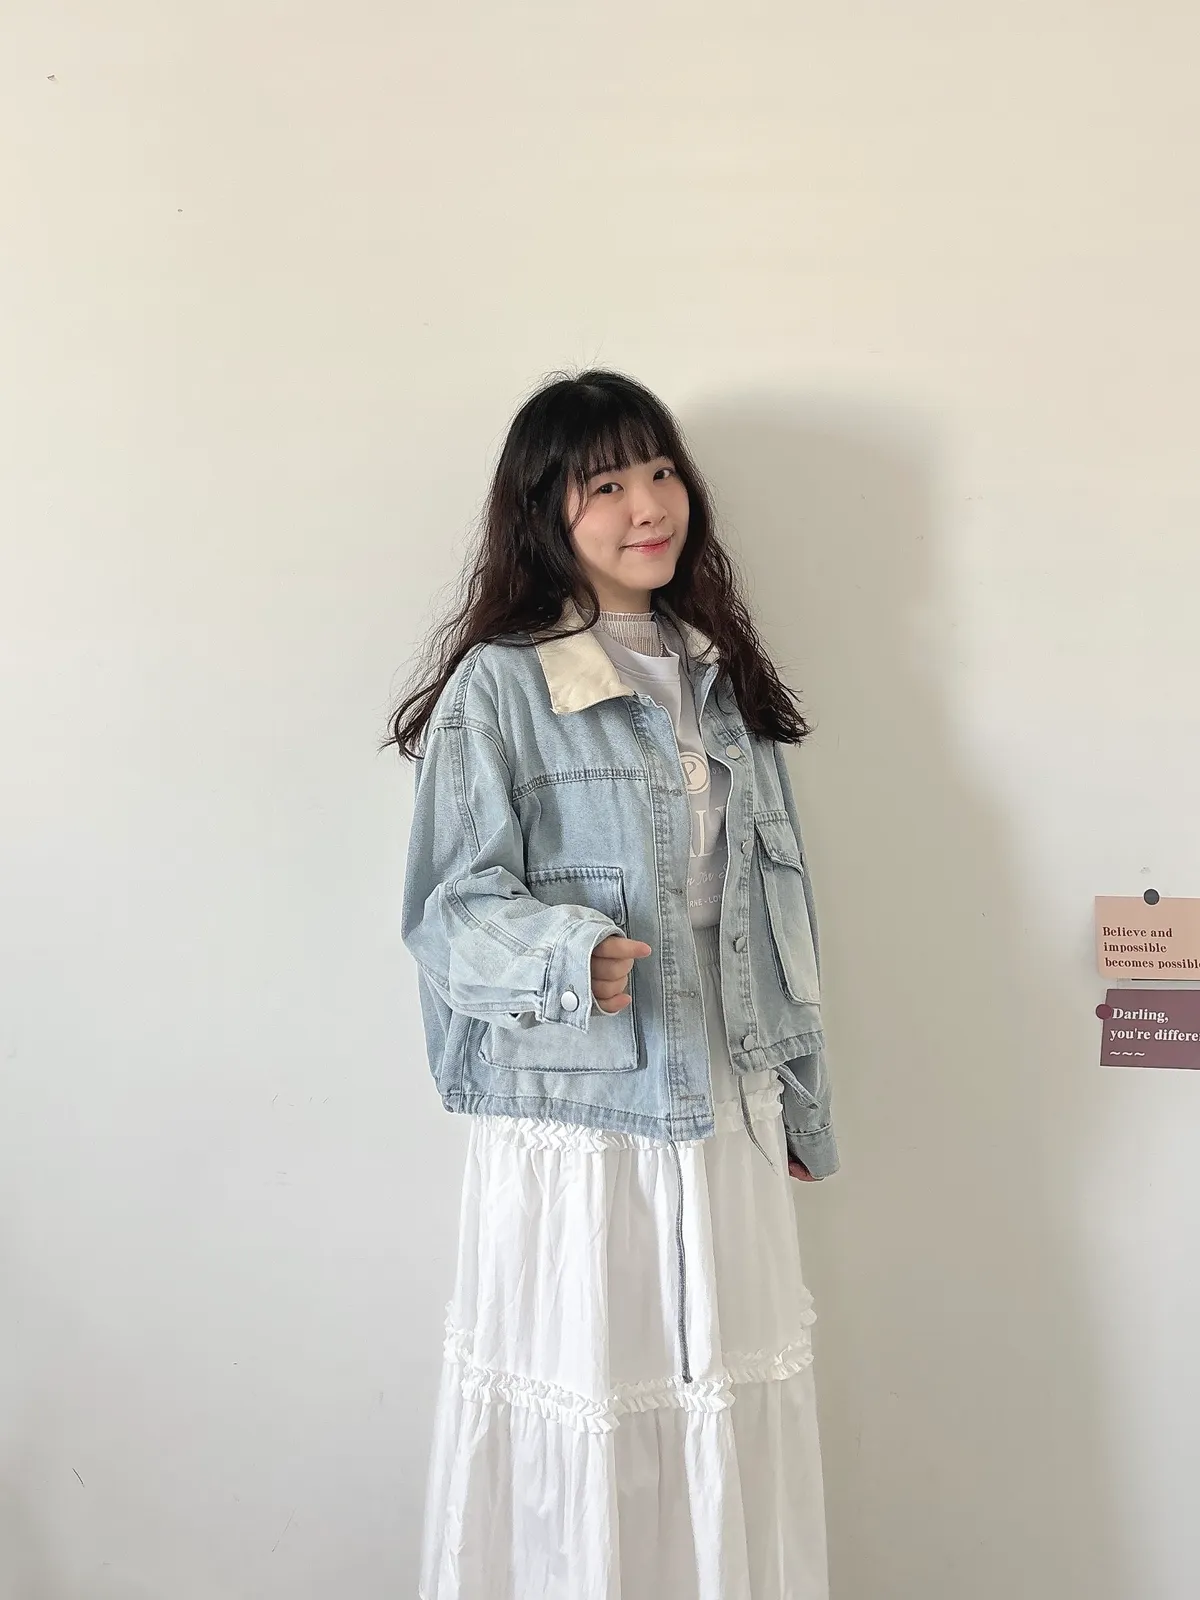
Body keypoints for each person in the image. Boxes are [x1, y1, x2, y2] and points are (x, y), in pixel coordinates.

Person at [388, 368, 838, 1599]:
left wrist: (800, 1096)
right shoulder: (503, 684)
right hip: (582, 1116)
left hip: (729, 1099)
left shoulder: (715, 673)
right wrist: (565, 957)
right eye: (607, 484)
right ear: (547, 509)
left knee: (720, 1396)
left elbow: (771, 909)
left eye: (660, 471)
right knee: (589, 1391)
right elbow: (446, 908)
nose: (649, 505)